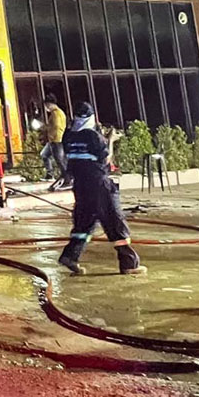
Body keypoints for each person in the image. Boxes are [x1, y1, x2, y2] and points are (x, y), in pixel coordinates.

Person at [57, 102, 145, 276]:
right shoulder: (94, 136)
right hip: (99, 185)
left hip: (80, 186)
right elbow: (105, 159)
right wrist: (110, 140)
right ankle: (129, 263)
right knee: (115, 221)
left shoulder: (68, 136)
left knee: (84, 222)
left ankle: (70, 256)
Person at [42, 94, 68, 187]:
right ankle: (51, 174)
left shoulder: (56, 113)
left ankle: (67, 178)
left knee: (60, 161)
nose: (46, 108)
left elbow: (56, 126)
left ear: (50, 104)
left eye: (46, 105)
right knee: (45, 155)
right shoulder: (58, 113)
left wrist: (47, 128)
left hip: (56, 140)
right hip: (55, 140)